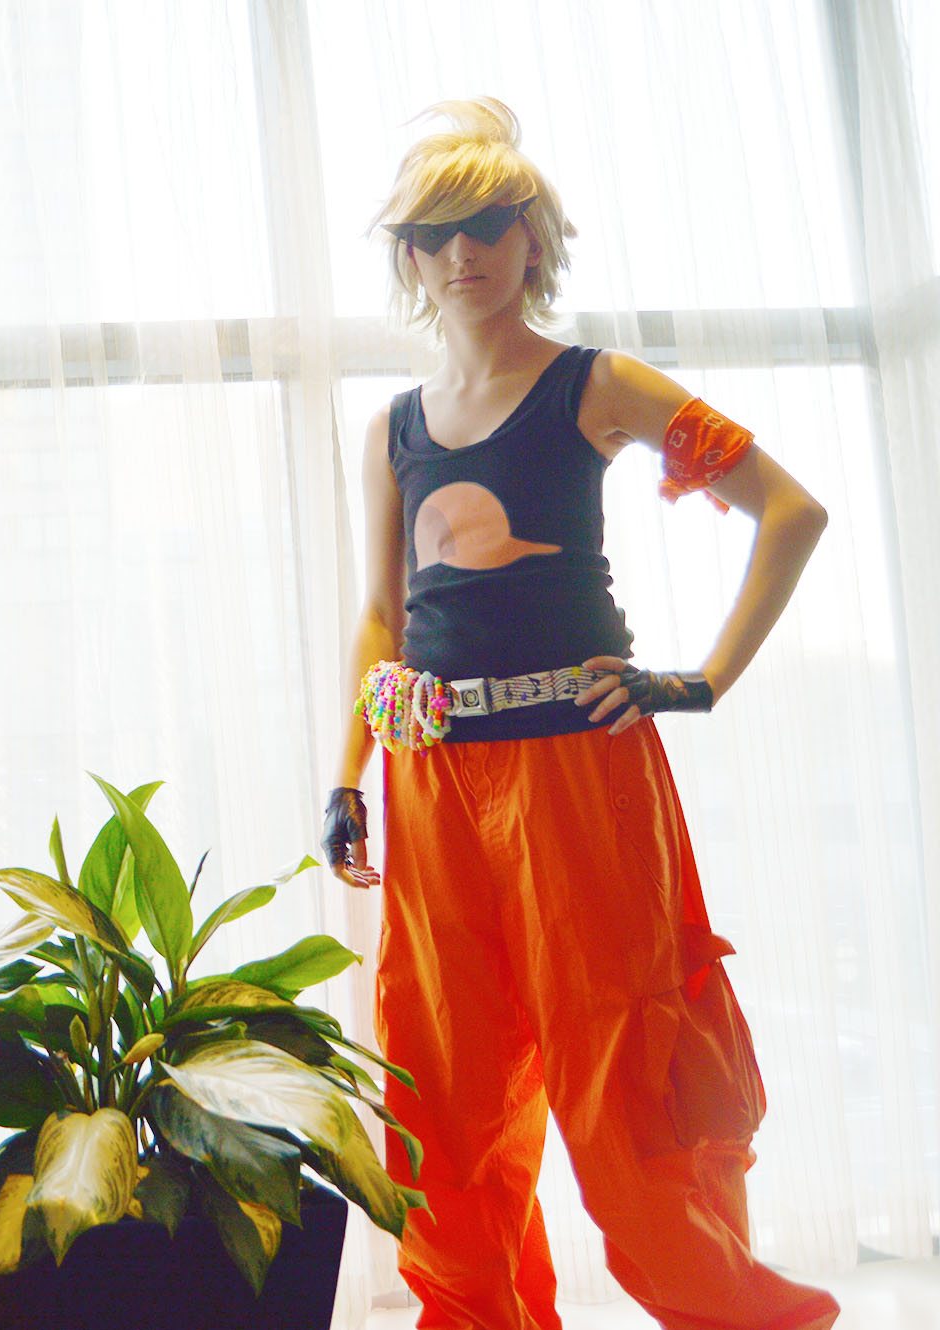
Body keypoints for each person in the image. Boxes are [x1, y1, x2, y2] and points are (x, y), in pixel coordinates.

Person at [320, 98, 838, 1330]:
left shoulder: (594, 385)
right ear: (406, 256)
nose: (462, 252)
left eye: (487, 222)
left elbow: (789, 511)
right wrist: (346, 774)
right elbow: (382, 617)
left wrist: (696, 679)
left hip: (577, 773)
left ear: (532, 237)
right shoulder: (392, 429)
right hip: (430, 781)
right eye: (434, 231)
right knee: (442, 1082)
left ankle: (722, 1307)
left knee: (624, 1069)